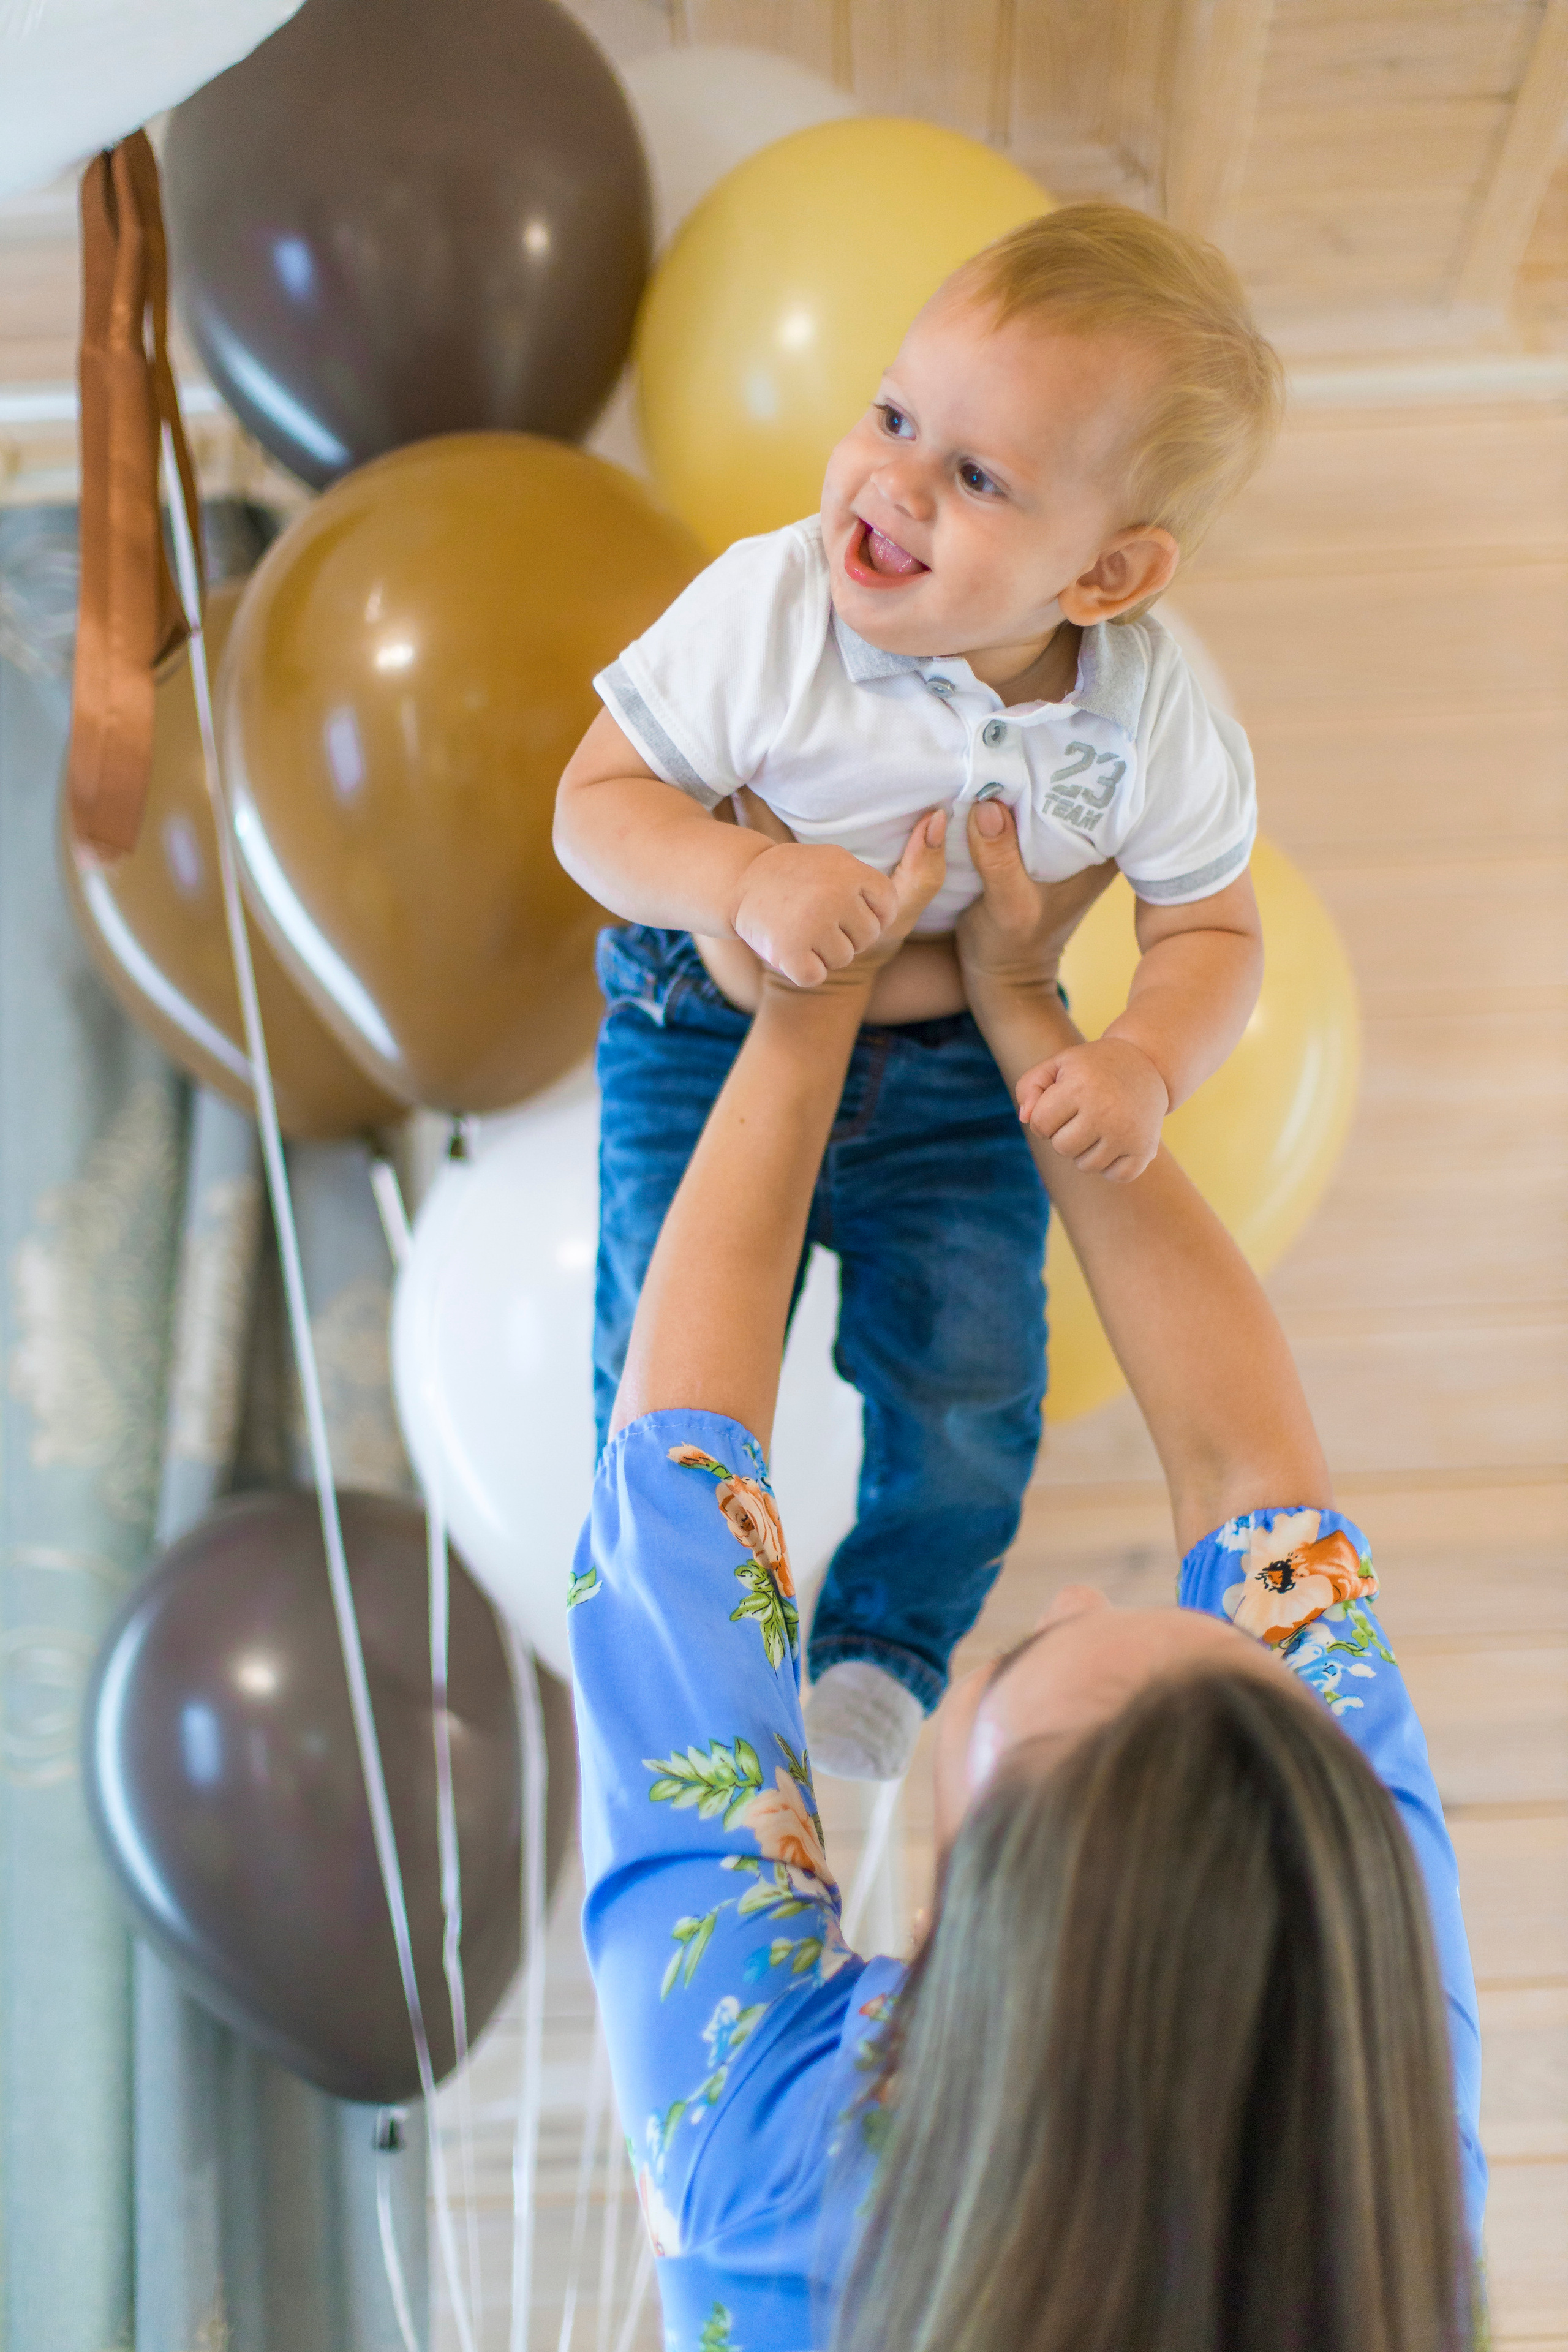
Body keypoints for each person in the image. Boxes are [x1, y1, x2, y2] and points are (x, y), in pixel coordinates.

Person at [568, 804, 1483, 2352]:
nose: (1072, 1597)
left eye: (1019, 1672)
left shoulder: (766, 2156)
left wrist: (807, 1008)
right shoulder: (1353, 2020)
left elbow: (677, 1474)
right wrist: (1024, 1011)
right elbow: (1259, 1493)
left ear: (948, 1922)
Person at [556, 203, 1282, 1781]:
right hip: (710, 1017)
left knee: (964, 1392)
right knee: (659, 1348)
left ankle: (881, 1644)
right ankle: (679, 1636)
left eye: (974, 476)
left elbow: (1212, 933)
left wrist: (1146, 1061)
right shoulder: (771, 612)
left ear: (1104, 572)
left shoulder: (1145, 725)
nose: (887, 481)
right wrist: (738, 879)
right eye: (892, 415)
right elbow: (593, 805)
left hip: (959, 1072)